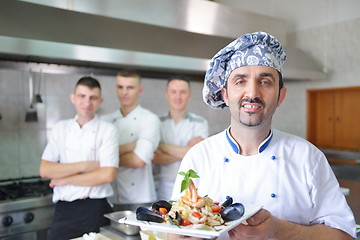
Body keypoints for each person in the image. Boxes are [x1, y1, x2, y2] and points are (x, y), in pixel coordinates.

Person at [171, 32, 356, 239]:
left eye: (265, 82)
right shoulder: (198, 157)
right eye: (240, 81)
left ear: (280, 96)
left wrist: (279, 230)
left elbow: (345, 236)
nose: (252, 93)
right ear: (225, 94)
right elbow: (173, 232)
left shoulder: (308, 157)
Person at [39, 76, 119, 240]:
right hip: (64, 209)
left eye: (93, 97)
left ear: (100, 100)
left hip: (94, 208)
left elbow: (107, 175)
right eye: (82, 96)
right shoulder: (60, 128)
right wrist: (86, 166)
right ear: (73, 98)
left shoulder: (107, 130)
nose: (87, 102)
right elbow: (45, 169)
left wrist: (64, 179)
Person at [102, 69, 160, 210]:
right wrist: (129, 146)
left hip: (142, 198)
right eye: (120, 87)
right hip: (113, 198)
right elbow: (97, 158)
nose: (124, 92)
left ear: (140, 90)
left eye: (130, 88)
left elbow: (139, 160)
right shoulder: (106, 121)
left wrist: (107, 159)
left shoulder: (150, 119)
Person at [152, 75, 209, 201]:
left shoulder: (200, 123)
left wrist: (162, 146)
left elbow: (199, 155)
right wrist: (189, 150)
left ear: (190, 95)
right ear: (167, 95)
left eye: (182, 92)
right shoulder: (156, 123)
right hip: (163, 186)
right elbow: (155, 157)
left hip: (192, 186)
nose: (178, 97)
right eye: (173, 92)